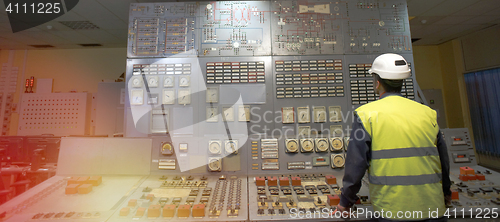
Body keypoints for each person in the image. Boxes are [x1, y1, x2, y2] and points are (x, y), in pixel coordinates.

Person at [335, 53, 451, 221]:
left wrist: (345, 202)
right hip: (433, 208)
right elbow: (443, 162)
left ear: (377, 82)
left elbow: (356, 165)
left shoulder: (366, 114)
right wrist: (446, 192)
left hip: (392, 209)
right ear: (401, 82)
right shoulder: (427, 113)